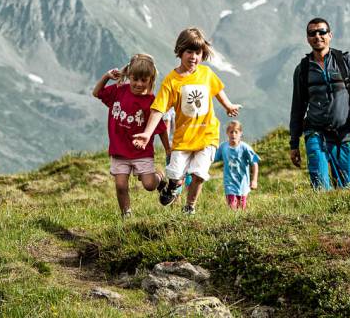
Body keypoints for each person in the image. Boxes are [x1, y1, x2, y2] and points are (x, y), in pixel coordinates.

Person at [133, 27, 240, 215]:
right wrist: (147, 133)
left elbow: (217, 90)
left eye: (197, 52)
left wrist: (228, 105)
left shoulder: (206, 74)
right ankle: (173, 185)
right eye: (189, 52)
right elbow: (158, 109)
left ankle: (190, 207)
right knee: (175, 173)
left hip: (207, 135)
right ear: (180, 52)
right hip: (183, 139)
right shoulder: (172, 81)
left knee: (199, 174)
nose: (193, 57)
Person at [289, 18, 350, 190]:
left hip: (345, 133)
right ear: (307, 38)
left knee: (344, 187)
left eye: (322, 32)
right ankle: (318, 215)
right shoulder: (302, 69)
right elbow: (297, 108)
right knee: (320, 186)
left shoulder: (345, 61)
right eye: (312, 33)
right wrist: (294, 144)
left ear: (330, 35)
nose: (317, 36)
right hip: (315, 132)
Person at [92, 53, 171, 218]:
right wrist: (107, 76)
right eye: (135, 79)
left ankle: (160, 177)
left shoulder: (151, 101)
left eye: (144, 80)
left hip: (141, 152)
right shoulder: (119, 91)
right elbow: (96, 93)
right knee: (121, 185)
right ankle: (126, 214)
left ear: (150, 80)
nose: (138, 84)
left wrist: (168, 149)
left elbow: (161, 127)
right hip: (119, 151)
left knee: (149, 185)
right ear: (129, 76)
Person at [214, 120, 259, 210]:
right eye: (231, 132)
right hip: (229, 184)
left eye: (236, 132)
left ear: (240, 133)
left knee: (241, 208)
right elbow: (212, 159)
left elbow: (255, 162)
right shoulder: (223, 147)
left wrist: (254, 180)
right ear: (227, 133)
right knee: (232, 207)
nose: (233, 134)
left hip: (243, 185)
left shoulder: (245, 147)